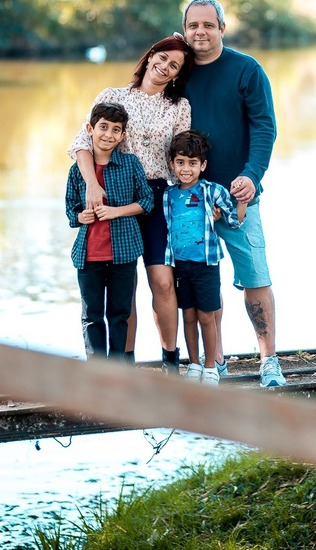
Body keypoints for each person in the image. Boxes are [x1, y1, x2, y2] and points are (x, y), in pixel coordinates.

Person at [70, 34, 193, 372]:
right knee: (123, 287)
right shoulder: (113, 96)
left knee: (162, 281)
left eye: (174, 65)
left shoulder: (179, 106)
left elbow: (181, 158)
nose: (165, 67)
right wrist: (92, 185)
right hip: (114, 197)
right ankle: (125, 365)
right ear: (151, 55)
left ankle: (170, 361)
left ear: (177, 74)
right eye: (162, 58)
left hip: (157, 198)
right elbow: (81, 142)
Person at [181, 0, 286, 387]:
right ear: (184, 30)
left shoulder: (246, 70)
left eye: (208, 25)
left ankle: (269, 360)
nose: (201, 32)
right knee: (203, 282)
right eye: (193, 25)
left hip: (239, 195)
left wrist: (252, 176)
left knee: (255, 277)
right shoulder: (177, 72)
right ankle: (217, 361)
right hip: (192, 199)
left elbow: (264, 127)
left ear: (222, 28)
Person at [65, 102, 155, 360]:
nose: (108, 134)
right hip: (88, 256)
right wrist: (80, 216)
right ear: (90, 129)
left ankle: (118, 370)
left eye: (116, 130)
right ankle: (97, 369)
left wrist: (117, 211)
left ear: (123, 135)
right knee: (91, 315)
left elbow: (147, 201)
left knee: (119, 314)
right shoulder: (78, 170)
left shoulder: (130, 164)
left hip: (123, 253)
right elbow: (71, 209)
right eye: (103, 127)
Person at [164, 131, 244, 385]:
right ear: (172, 164)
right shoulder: (168, 195)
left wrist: (243, 201)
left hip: (206, 265)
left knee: (206, 316)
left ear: (203, 165)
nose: (186, 169)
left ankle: (211, 366)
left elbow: (234, 221)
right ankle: (194, 364)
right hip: (180, 265)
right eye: (180, 162)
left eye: (192, 163)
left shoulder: (212, 191)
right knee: (188, 315)